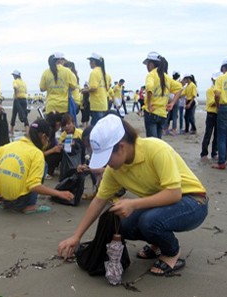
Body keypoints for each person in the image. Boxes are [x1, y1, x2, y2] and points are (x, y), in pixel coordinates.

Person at [58, 114, 208, 276]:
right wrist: (76, 236)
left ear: (121, 147)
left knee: (149, 221)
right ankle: (156, 244)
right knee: (123, 224)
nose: (106, 164)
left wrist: (133, 204)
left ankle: (172, 253)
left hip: (194, 201)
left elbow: (174, 194)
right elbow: (99, 201)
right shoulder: (115, 170)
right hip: (160, 204)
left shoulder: (156, 149)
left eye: (107, 158)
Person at [0, 119, 74, 214]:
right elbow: (34, 186)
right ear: (44, 137)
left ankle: (4, 201)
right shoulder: (37, 154)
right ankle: (29, 205)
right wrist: (59, 193)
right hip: (18, 201)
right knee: (43, 166)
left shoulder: (10, 145)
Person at [142, 52, 182, 138]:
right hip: (162, 114)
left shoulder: (151, 75)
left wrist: (148, 104)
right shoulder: (166, 77)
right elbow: (179, 88)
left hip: (151, 112)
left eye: (147, 64)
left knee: (152, 142)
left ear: (151, 64)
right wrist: (172, 103)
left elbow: (149, 88)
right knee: (158, 140)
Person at [200, 72, 221, 161]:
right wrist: (219, 101)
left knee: (217, 135)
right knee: (208, 133)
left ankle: (214, 153)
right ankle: (204, 153)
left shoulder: (221, 89)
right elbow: (211, 103)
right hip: (211, 114)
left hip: (219, 114)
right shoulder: (210, 90)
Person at [84, 53, 109, 125]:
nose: (89, 63)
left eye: (90, 61)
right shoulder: (104, 73)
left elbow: (94, 88)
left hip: (97, 104)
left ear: (94, 62)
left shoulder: (94, 72)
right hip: (104, 103)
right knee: (102, 125)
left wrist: (84, 90)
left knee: (95, 126)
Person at [43, 112, 63, 178]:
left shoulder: (51, 131)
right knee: (57, 154)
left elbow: (55, 142)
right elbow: (39, 153)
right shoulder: (47, 134)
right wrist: (53, 150)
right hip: (42, 157)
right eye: (59, 124)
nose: (59, 127)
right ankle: (47, 172)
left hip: (45, 155)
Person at [10, 70, 29, 136]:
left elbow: (15, 87)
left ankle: (11, 130)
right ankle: (27, 130)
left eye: (13, 75)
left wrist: (16, 95)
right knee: (24, 114)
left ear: (15, 75)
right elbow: (26, 91)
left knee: (15, 114)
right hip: (24, 99)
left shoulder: (15, 81)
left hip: (17, 99)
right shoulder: (23, 82)